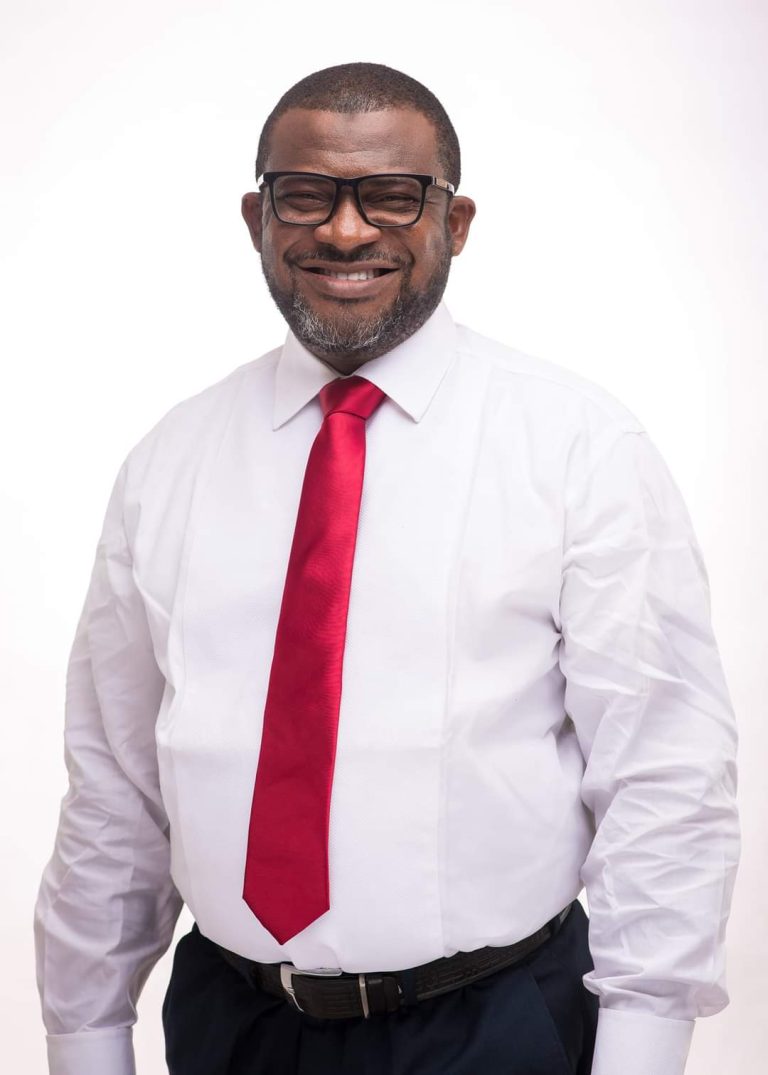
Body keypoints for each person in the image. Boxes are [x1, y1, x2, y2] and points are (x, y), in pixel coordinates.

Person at [34, 62, 740, 1075]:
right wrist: (87, 1037)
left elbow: (665, 779)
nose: (345, 229)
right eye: (306, 195)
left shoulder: (579, 450)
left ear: (456, 223)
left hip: (496, 1027)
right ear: (257, 218)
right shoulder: (169, 464)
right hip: (233, 1027)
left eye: (393, 196)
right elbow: (115, 790)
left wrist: (642, 1049)